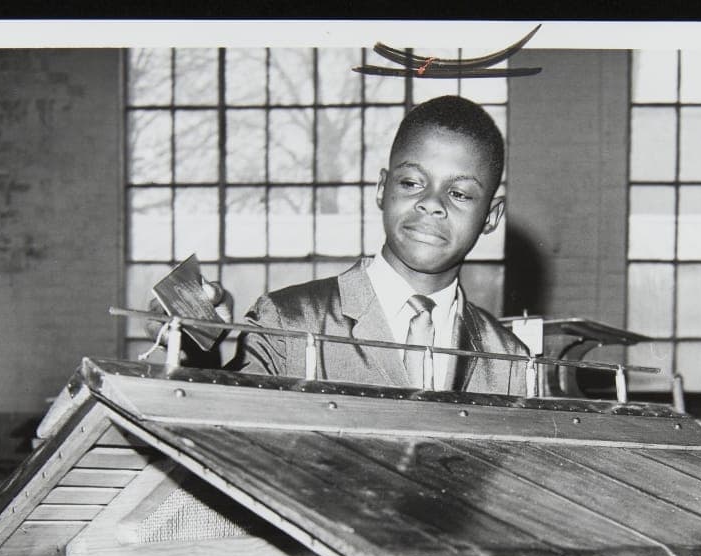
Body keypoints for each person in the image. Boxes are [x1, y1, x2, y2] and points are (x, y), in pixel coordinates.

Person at [211, 95, 529, 396]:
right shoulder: (286, 323)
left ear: (490, 216)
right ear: (381, 189)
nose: (431, 203)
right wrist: (191, 348)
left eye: (459, 193)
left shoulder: (511, 360)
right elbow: (217, 433)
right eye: (411, 183)